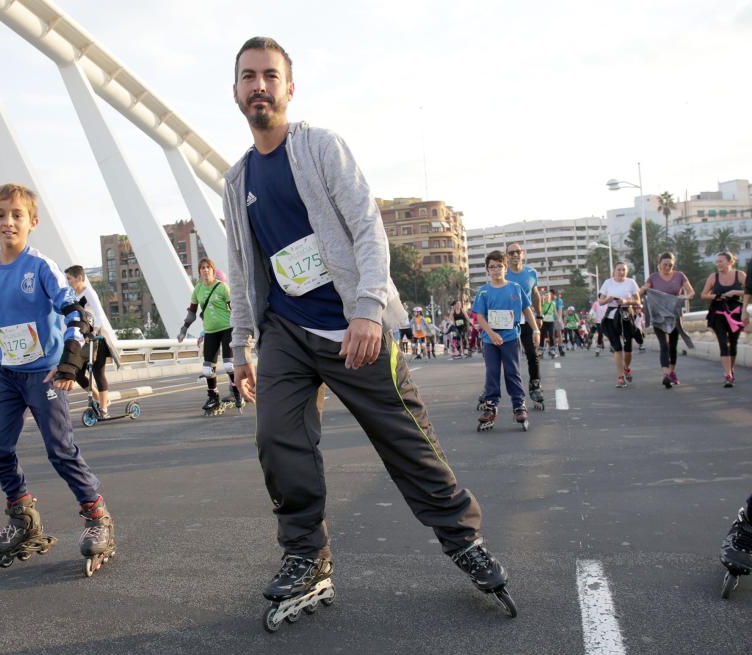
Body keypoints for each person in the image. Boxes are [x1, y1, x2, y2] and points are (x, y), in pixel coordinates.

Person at [224, 36, 515, 620]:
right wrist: (241, 345)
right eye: (249, 76)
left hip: (352, 326)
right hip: (284, 329)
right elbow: (240, 267)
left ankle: (464, 540)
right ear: (236, 91)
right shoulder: (236, 181)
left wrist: (367, 309)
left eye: (270, 76)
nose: (260, 86)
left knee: (405, 437)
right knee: (277, 440)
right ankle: (307, 556)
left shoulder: (320, 148)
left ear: (289, 87)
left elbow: (367, 228)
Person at [0, 183, 114, 576]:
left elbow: (76, 316)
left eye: (16, 215)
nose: (7, 221)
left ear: (33, 221)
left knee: (60, 451)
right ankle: (23, 515)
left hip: (45, 375)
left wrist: (69, 364)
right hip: (9, 375)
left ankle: (97, 517)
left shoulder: (41, 267)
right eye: (0, 214)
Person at [472, 251, 539, 430]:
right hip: (490, 340)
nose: (495, 270)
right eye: (491, 267)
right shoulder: (483, 291)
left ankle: (519, 405)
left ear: (505, 267)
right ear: (487, 270)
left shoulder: (515, 288)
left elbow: (527, 310)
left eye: (499, 266)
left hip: (510, 338)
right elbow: (479, 316)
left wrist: (536, 330)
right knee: (492, 372)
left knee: (512, 372)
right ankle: (491, 406)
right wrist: (491, 334)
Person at [177, 257, 243, 411]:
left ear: (213, 270)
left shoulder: (222, 288)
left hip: (227, 329)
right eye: (202, 268)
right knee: (207, 369)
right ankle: (213, 397)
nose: (205, 270)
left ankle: (236, 391)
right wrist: (183, 330)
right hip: (210, 332)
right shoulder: (197, 290)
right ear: (199, 271)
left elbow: (234, 309)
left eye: (208, 267)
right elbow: (192, 313)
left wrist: (241, 327)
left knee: (228, 365)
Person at [65, 265, 121, 418]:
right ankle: (100, 398)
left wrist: (94, 332)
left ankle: (103, 409)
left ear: (79, 278)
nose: (68, 281)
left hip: (97, 337)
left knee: (98, 372)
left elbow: (99, 315)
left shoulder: (89, 293)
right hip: (83, 338)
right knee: (77, 373)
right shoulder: (73, 295)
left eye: (69, 278)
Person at [638, 252, 695, 388]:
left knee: (673, 346)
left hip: (674, 314)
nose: (667, 267)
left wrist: (684, 297)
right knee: (663, 345)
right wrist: (644, 289)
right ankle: (666, 374)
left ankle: (672, 372)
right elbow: (641, 292)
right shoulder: (653, 277)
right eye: (665, 264)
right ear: (659, 265)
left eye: (670, 265)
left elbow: (691, 292)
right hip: (659, 315)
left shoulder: (679, 276)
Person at [700, 251, 747, 388]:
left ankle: (730, 371)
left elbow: (749, 291)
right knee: (723, 342)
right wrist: (717, 295)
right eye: (717, 262)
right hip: (718, 312)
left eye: (721, 261)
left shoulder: (740, 275)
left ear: (730, 262)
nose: (718, 264)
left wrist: (734, 292)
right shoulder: (713, 277)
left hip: (735, 313)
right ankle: (727, 375)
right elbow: (704, 295)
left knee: (733, 343)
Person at [597, 262, 641, 388]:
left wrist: (626, 301)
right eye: (619, 270)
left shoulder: (631, 282)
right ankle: (621, 376)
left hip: (626, 315)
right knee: (617, 347)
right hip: (611, 317)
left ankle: (626, 367)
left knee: (627, 348)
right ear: (614, 271)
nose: (621, 272)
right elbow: (600, 301)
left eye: (624, 270)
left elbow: (638, 300)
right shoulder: (607, 283)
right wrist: (608, 299)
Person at [540, 290, 558, 358]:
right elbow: (540, 309)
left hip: (551, 322)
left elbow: (555, 311)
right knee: (542, 336)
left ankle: (552, 350)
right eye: (546, 295)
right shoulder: (543, 303)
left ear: (550, 297)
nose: (547, 297)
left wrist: (559, 319)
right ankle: (541, 350)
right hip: (544, 322)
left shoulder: (553, 303)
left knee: (551, 335)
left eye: (548, 295)